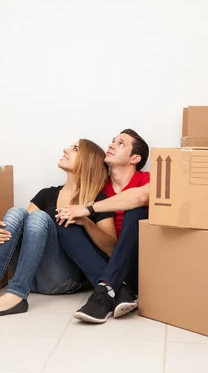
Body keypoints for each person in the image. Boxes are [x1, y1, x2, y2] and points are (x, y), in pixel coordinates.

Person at [0, 139, 116, 318]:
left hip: (62, 280)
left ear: (88, 161)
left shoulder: (96, 201)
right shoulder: (46, 194)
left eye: (75, 149)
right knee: (16, 213)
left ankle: (16, 295)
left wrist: (86, 221)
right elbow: (24, 229)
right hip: (30, 277)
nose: (66, 149)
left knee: (38, 216)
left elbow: (111, 249)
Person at [56, 129, 150, 323]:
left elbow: (141, 196)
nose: (111, 145)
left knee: (137, 211)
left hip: (137, 264)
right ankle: (118, 289)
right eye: (113, 141)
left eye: (121, 143)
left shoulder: (148, 179)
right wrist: (78, 215)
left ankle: (107, 289)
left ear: (135, 158)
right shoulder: (99, 187)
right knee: (67, 220)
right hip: (104, 261)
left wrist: (88, 209)